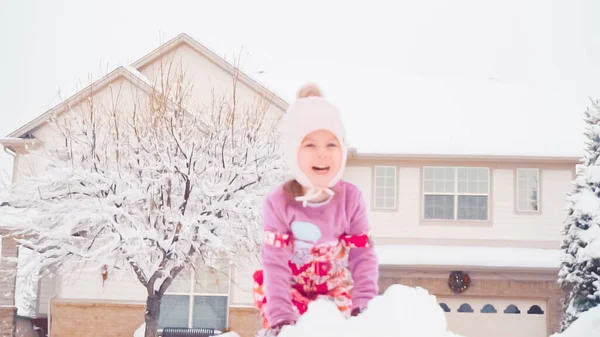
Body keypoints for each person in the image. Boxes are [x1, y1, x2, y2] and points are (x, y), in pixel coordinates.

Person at [252, 83, 379, 336]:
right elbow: (275, 265)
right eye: (310, 146)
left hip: (334, 292)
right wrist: (281, 319)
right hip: (287, 292)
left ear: (342, 150)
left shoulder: (350, 199)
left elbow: (362, 257)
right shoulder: (279, 202)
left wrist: (364, 307)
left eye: (331, 145)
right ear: (293, 151)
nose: (322, 155)